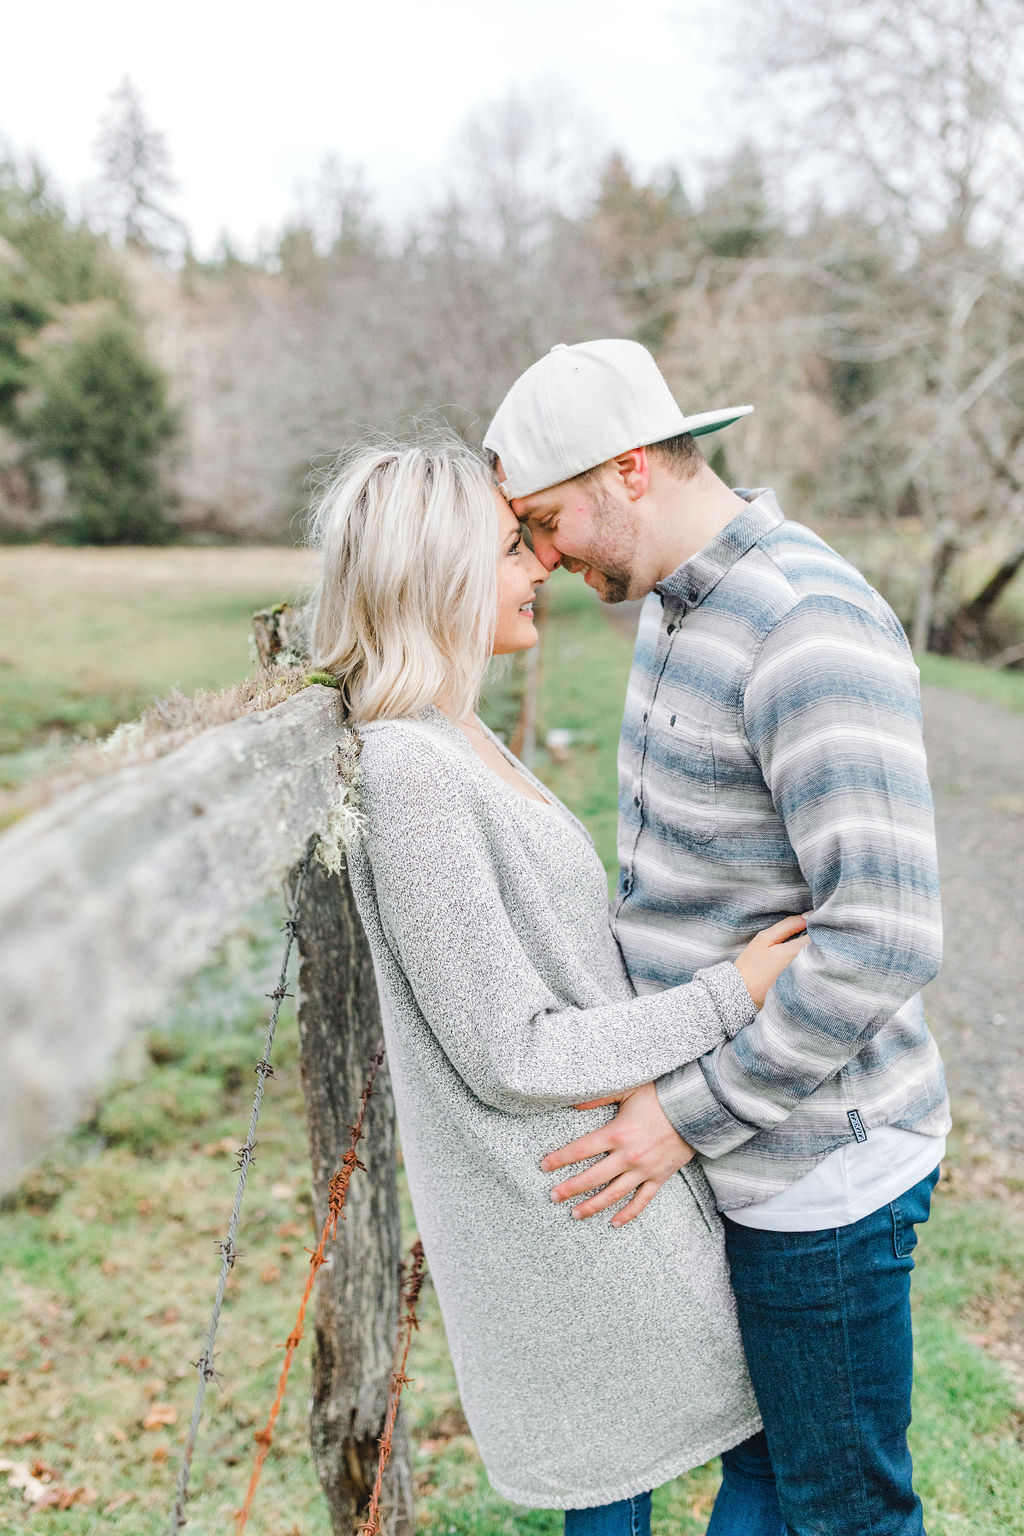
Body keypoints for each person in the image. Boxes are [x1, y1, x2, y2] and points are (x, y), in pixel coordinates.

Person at [483, 338, 951, 1536]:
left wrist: (677, 1118)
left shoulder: (803, 624)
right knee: (769, 1488)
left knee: (837, 1512)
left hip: (817, 1171)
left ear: (629, 469)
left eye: (545, 521)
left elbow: (884, 936)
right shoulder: (680, 607)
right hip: (723, 1151)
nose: (542, 557)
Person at [305, 438, 808, 1533]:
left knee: (658, 1477)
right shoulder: (409, 771)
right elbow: (513, 1048)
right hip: (568, 1203)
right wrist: (736, 991)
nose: (538, 565)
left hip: (593, 1182)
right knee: (745, 1453)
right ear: (434, 576)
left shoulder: (454, 734)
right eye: (507, 548)